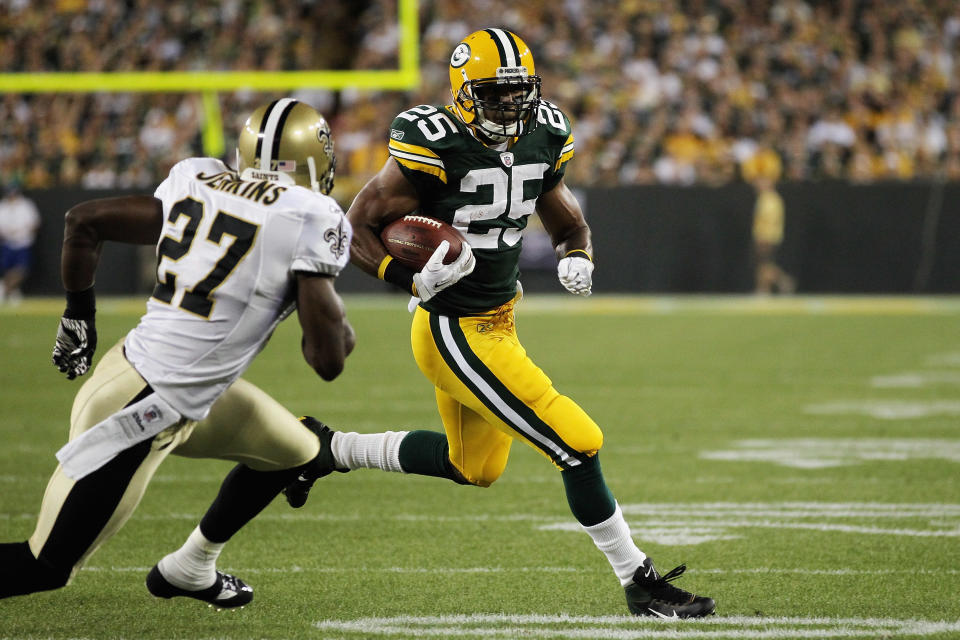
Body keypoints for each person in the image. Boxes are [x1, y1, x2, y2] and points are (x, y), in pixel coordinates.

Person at [291, 28, 715, 618]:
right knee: (578, 442)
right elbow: (355, 224)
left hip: (499, 319)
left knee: (476, 468)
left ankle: (327, 449)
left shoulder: (543, 132)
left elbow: (568, 222)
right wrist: (405, 278)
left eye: (519, 93)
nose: (510, 107)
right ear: (464, 94)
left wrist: (576, 255)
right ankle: (639, 581)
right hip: (454, 329)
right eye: (496, 95)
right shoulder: (433, 140)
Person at [0, 98, 354, 609]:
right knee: (46, 566)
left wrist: (78, 314)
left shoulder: (200, 177)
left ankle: (191, 568)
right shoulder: (309, 214)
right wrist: (337, 315)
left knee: (295, 453)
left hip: (150, 380)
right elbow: (328, 362)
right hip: (140, 410)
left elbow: (84, 220)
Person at [0, 179, 41, 305]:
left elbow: (35, 223)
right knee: (5, 268)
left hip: (23, 243)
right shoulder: (2, 206)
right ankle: (11, 291)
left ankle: (5, 289)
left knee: (22, 269)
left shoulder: (26, 205)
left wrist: (25, 232)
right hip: (7, 243)